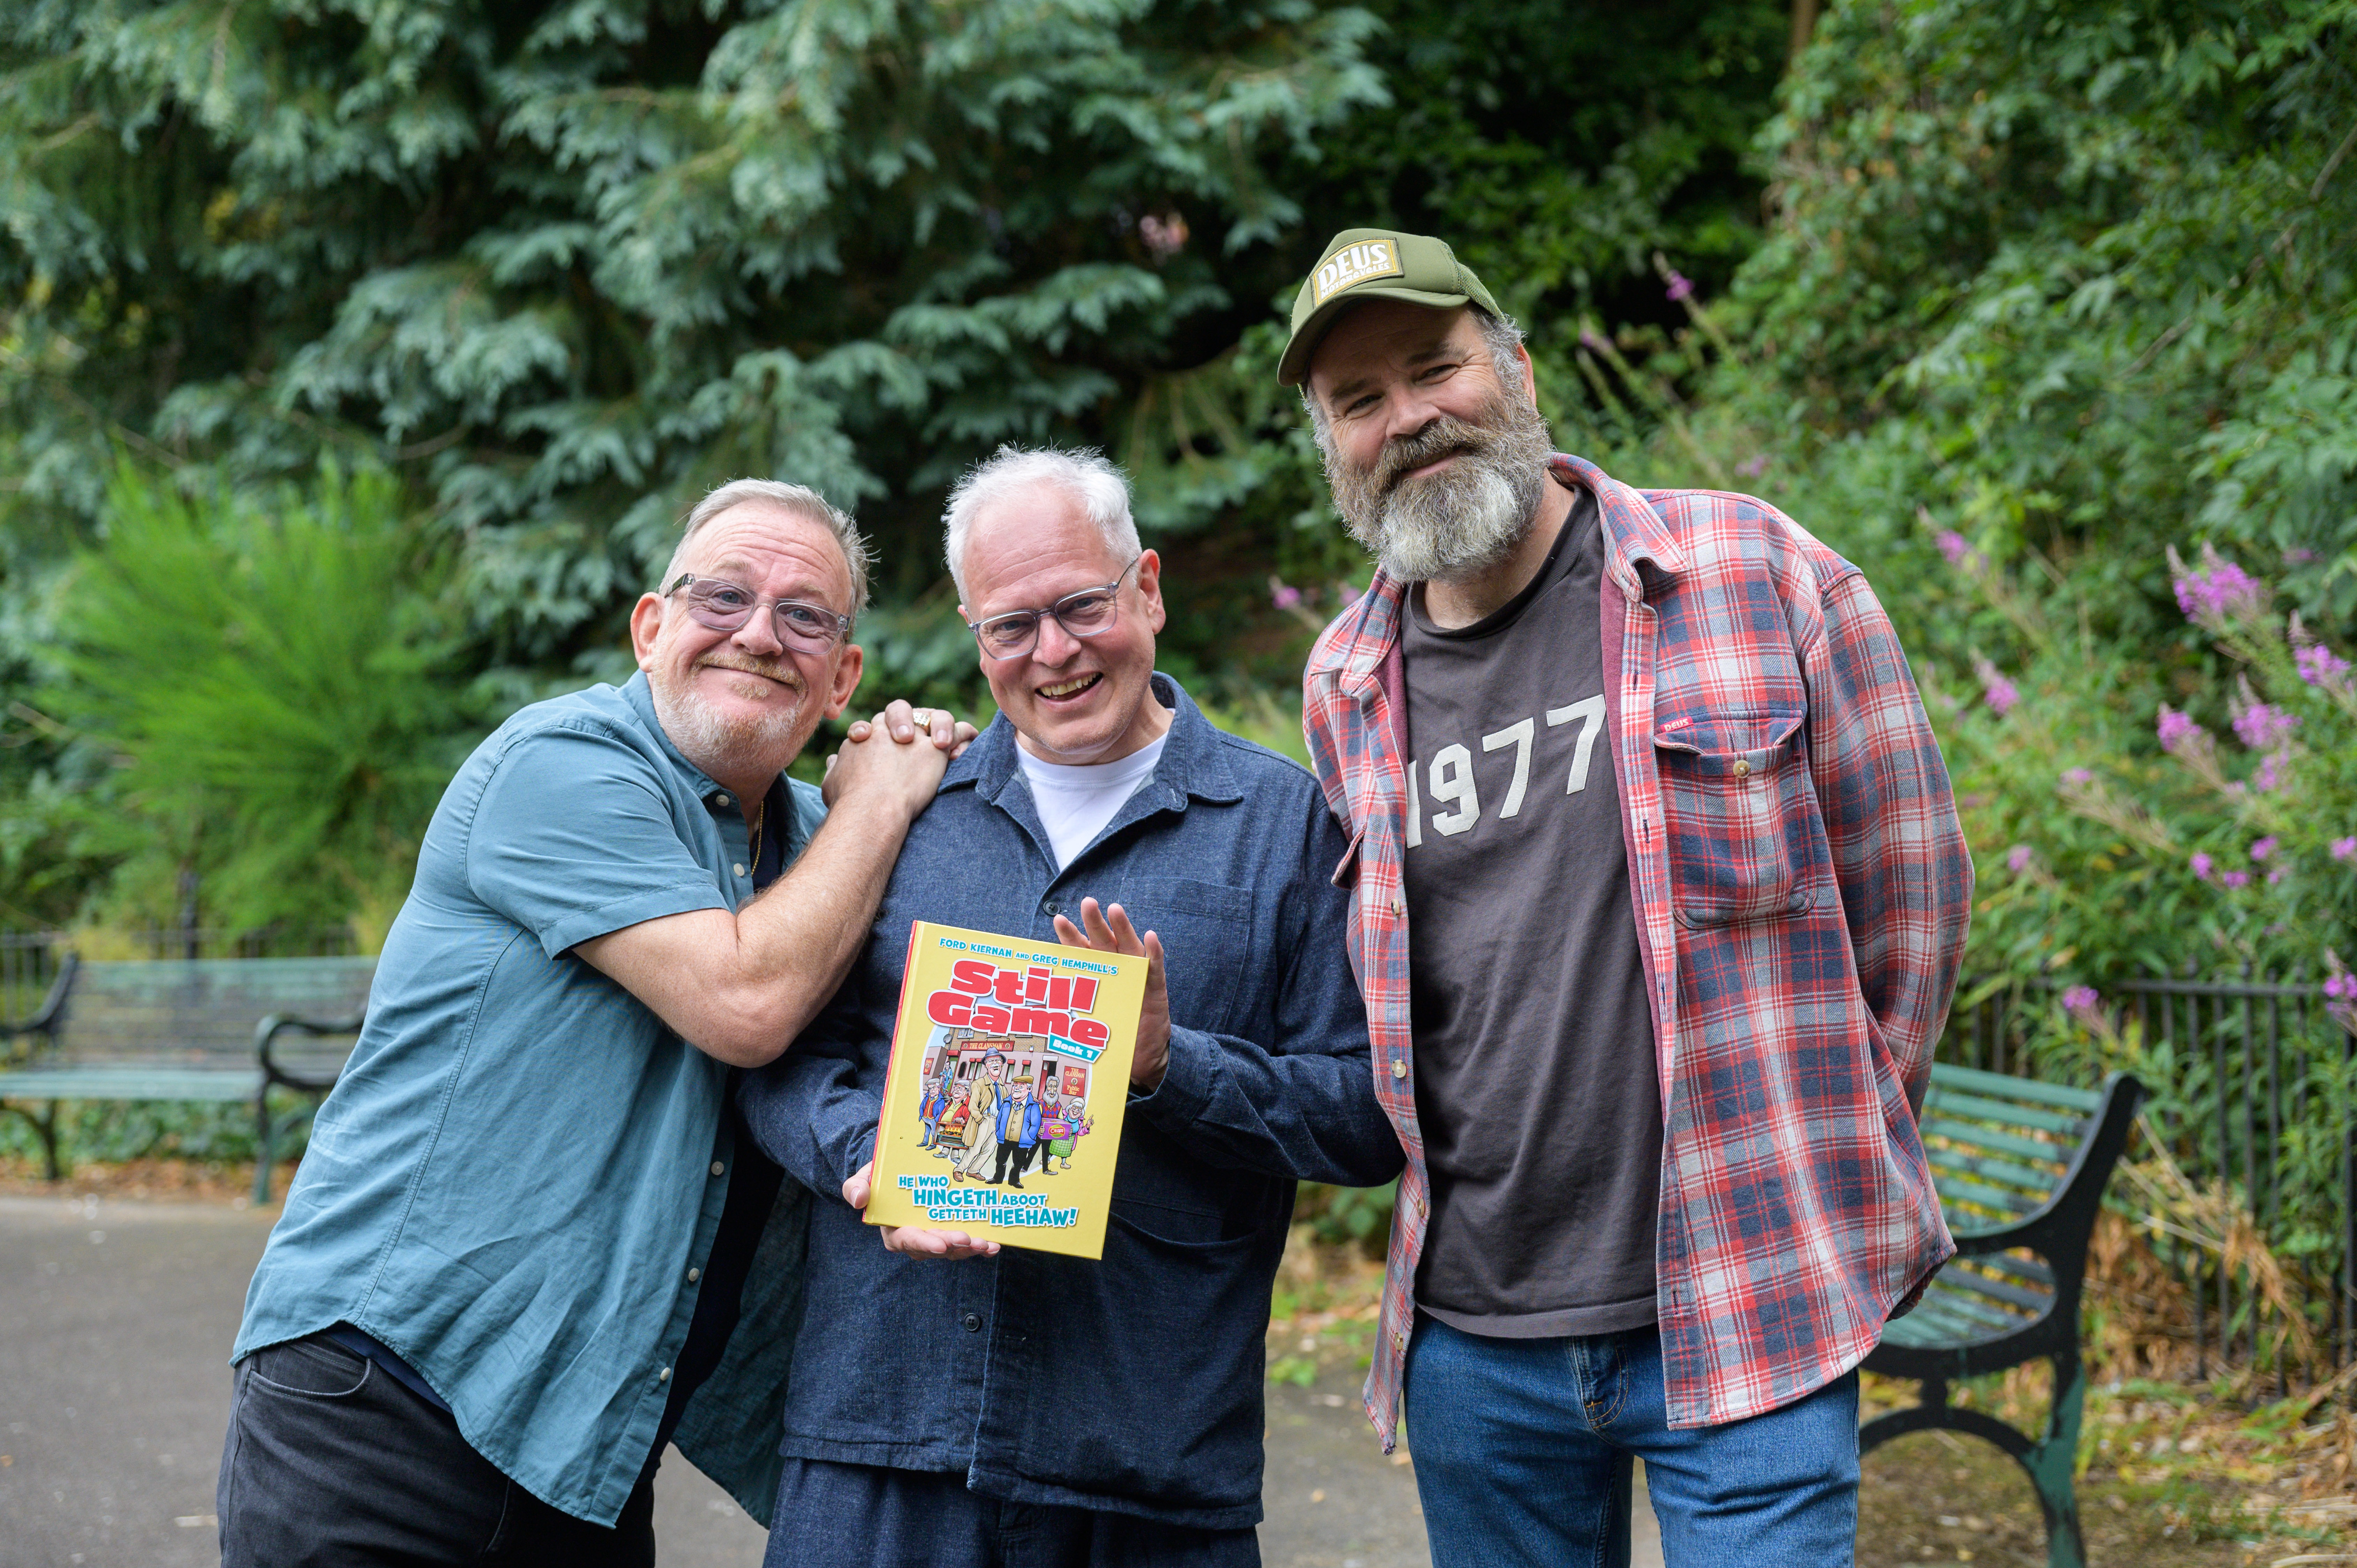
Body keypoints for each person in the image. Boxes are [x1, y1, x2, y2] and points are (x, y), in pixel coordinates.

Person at [1281, 229, 1974, 1567]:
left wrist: (1817, 1148)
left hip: (1747, 1301)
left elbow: (1913, 895)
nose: (1407, 419)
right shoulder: (1343, 682)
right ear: (1329, 446)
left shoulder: (1758, 573)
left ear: (1517, 368)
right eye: (1357, 401)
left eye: (1433, 368)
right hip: (1474, 1347)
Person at [217, 479, 971, 1565]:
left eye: (805, 615)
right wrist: (877, 802)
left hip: (589, 1449)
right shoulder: (561, 766)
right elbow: (747, 1000)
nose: (759, 634)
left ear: (843, 675)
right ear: (650, 627)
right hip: (387, 1403)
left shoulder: (816, 842)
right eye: (723, 597)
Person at [739, 445, 1403, 1568]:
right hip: (883, 1444)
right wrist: (869, 1160)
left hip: (1145, 1464)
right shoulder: (902, 807)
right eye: (1010, 626)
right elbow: (782, 1057)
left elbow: (1365, 1115)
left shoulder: (1283, 822)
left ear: (1146, 587)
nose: (1053, 652)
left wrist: (1167, 1065)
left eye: (1081, 605)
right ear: (973, 634)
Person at [954, 1051, 1007, 1181]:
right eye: (991, 1061)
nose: (995, 1064)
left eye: (998, 1061)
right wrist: (980, 1120)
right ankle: (959, 1170)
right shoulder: (978, 1084)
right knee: (976, 1148)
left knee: (989, 1150)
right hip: (984, 1120)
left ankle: (973, 1171)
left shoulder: (1003, 1088)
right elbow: (973, 1106)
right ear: (986, 1065)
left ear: (1002, 1065)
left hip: (998, 1123)